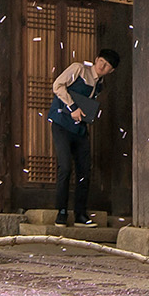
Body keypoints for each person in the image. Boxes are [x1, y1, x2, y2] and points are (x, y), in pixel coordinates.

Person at [48, 48, 120, 225]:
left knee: (84, 171)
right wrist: (72, 107)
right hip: (61, 124)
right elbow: (57, 85)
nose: (103, 66)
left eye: (107, 65)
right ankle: (62, 212)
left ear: (112, 70)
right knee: (64, 167)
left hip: (79, 129)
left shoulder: (100, 84)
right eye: (101, 61)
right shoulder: (78, 69)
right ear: (96, 59)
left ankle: (80, 214)